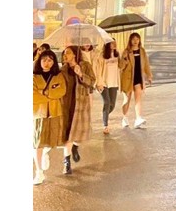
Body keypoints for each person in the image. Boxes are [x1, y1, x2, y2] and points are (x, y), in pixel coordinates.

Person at [33, 49, 68, 184]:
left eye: (50, 60)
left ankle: (44, 153)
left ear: (54, 62)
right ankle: (39, 172)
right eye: (44, 60)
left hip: (54, 113)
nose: (46, 63)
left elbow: (61, 91)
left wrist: (44, 93)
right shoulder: (34, 77)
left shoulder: (58, 76)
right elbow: (33, 95)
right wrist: (50, 94)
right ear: (39, 61)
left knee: (52, 141)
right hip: (38, 114)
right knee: (37, 143)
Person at [61, 45, 96, 174]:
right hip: (67, 105)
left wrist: (81, 74)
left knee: (79, 133)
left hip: (81, 103)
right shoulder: (63, 69)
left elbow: (92, 82)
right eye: (64, 53)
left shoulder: (85, 65)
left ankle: (75, 147)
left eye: (68, 53)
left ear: (75, 54)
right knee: (68, 135)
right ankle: (66, 161)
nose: (65, 55)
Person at [120, 32, 153, 128]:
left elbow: (146, 64)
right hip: (128, 78)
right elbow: (121, 66)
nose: (135, 41)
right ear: (130, 40)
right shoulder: (126, 52)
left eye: (137, 39)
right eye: (133, 39)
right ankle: (124, 118)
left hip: (138, 77)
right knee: (127, 99)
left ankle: (138, 119)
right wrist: (124, 59)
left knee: (138, 99)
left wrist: (149, 76)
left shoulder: (142, 51)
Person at [94, 39, 120, 134]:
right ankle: (105, 125)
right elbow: (98, 70)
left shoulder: (117, 55)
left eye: (115, 43)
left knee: (112, 105)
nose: (114, 44)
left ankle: (104, 114)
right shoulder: (102, 56)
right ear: (107, 44)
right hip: (104, 83)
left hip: (114, 83)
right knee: (107, 102)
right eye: (112, 43)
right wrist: (99, 83)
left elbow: (121, 67)